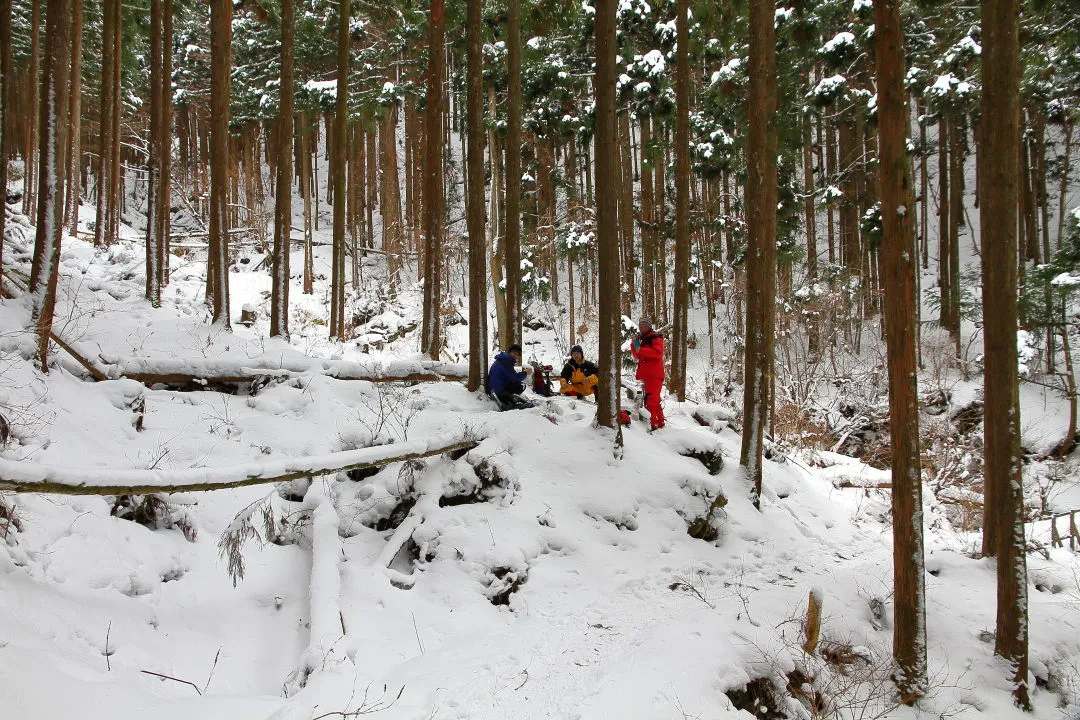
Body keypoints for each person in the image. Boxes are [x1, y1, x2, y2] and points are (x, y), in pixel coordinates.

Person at [630, 318, 665, 430]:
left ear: (649, 326)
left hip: (654, 375)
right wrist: (634, 343)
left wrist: (641, 349)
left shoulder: (655, 337)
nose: (642, 328)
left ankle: (653, 425)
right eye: (641, 326)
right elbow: (637, 355)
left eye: (645, 326)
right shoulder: (643, 339)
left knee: (651, 401)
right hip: (647, 376)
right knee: (654, 400)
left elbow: (658, 353)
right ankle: (660, 423)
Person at [487, 344, 534, 410]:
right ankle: (509, 404)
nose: (515, 356)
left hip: (494, 389)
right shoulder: (505, 361)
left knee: (517, 385)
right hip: (498, 391)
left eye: (517, 354)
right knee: (519, 386)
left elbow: (511, 376)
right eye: (514, 353)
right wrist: (525, 372)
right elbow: (515, 378)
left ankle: (511, 400)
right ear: (509, 352)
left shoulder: (503, 359)